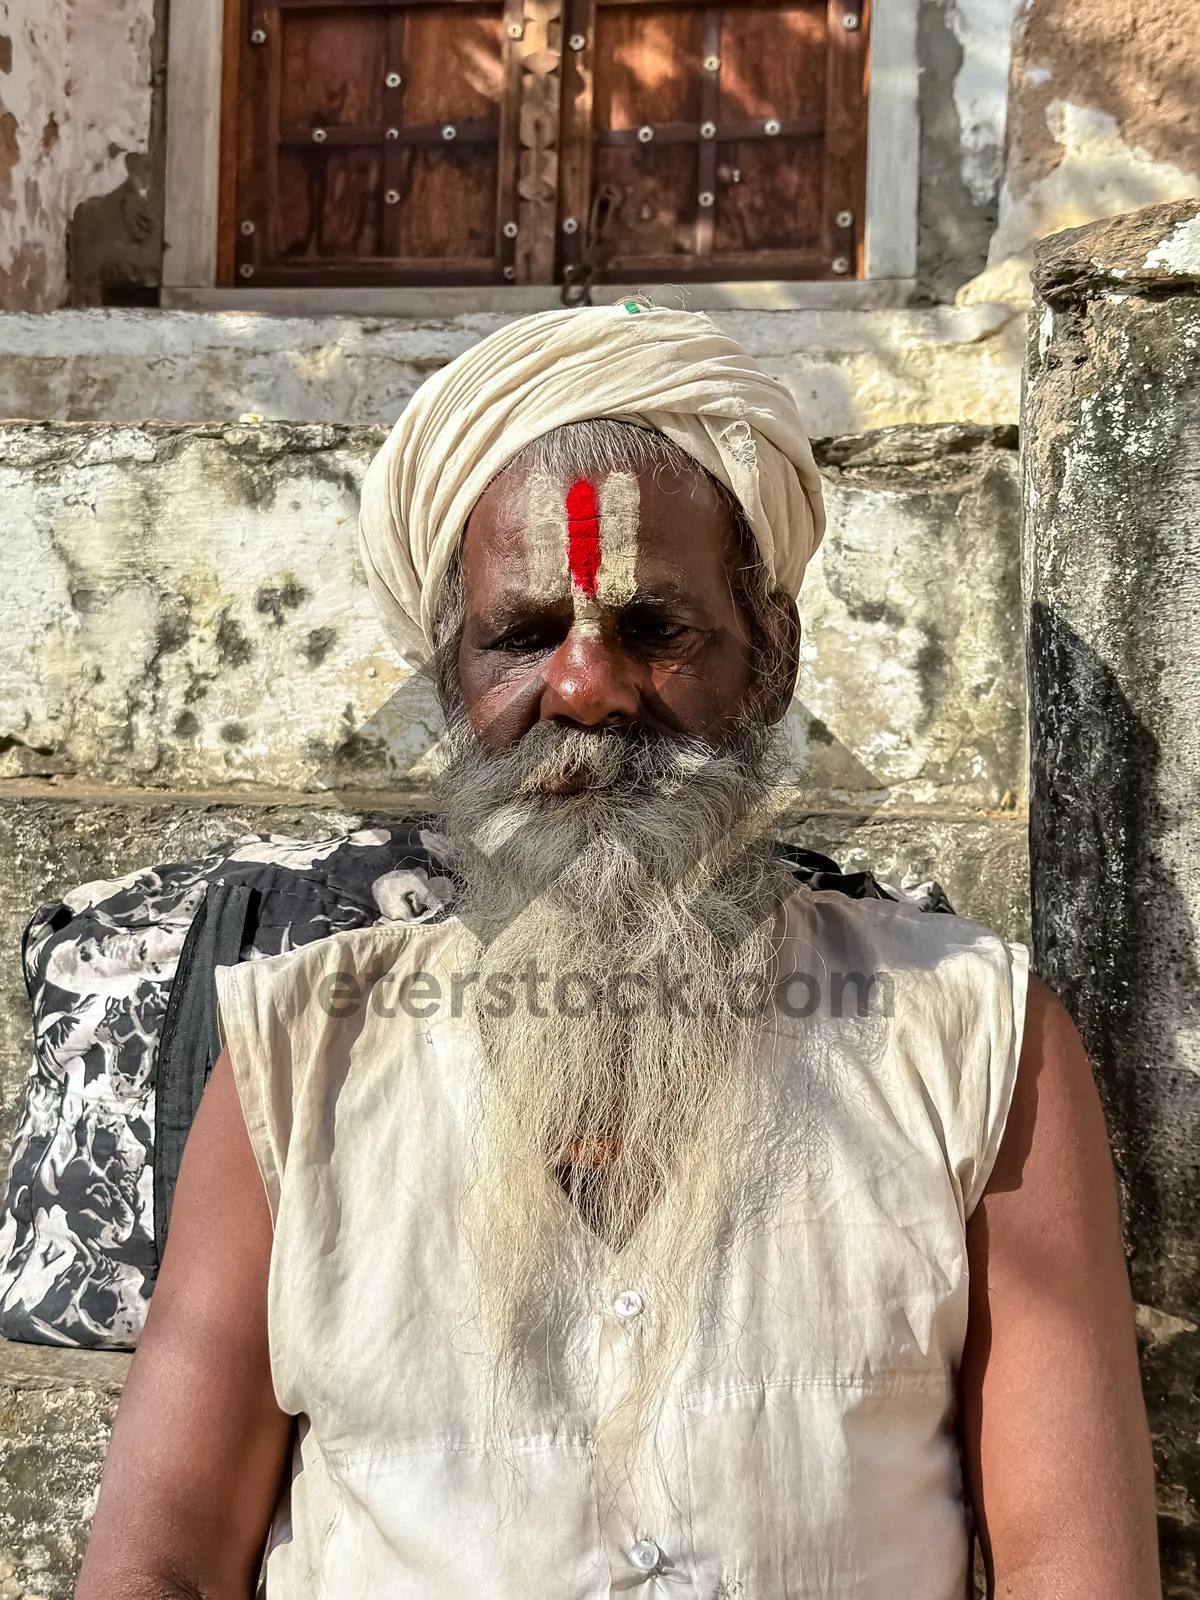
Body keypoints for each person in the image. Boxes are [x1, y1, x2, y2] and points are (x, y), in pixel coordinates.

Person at [77, 304, 1159, 1599]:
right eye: (527, 634)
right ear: (452, 687)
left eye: (653, 628)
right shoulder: (296, 1066)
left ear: (769, 663)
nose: (586, 691)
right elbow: (159, 1568)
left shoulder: (975, 1046)